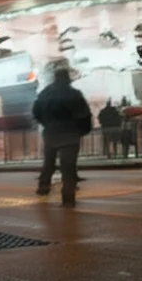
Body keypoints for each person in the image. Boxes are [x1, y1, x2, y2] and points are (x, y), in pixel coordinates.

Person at [32, 69, 92, 207]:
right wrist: (82, 130)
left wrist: (47, 123)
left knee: (49, 162)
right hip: (70, 133)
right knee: (68, 166)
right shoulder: (74, 94)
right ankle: (68, 197)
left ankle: (44, 186)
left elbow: (36, 111)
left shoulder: (45, 93)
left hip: (52, 132)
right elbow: (85, 114)